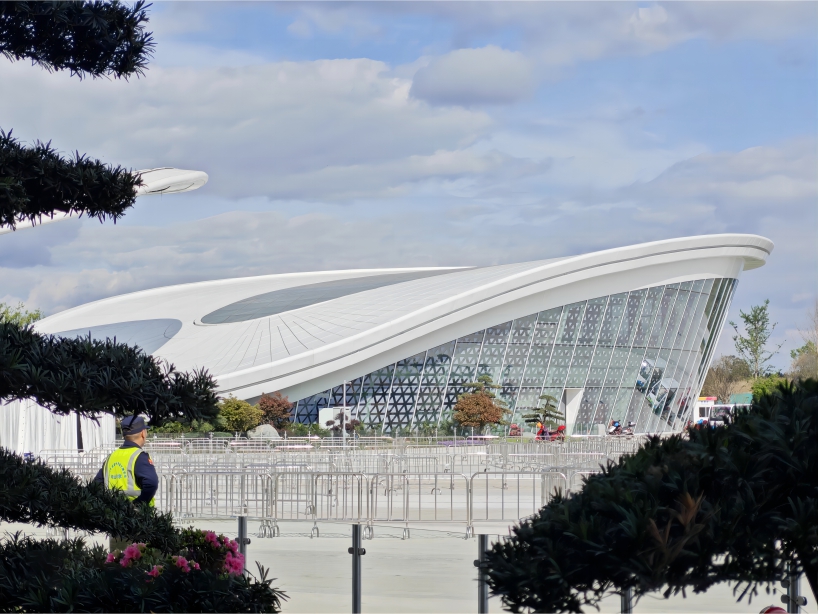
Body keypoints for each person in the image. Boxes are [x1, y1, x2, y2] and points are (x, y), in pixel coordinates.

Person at [94, 415, 158, 507]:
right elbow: (151, 484)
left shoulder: (111, 457)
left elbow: (96, 485)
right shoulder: (140, 456)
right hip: (138, 517)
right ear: (143, 433)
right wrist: (137, 505)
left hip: (113, 514)